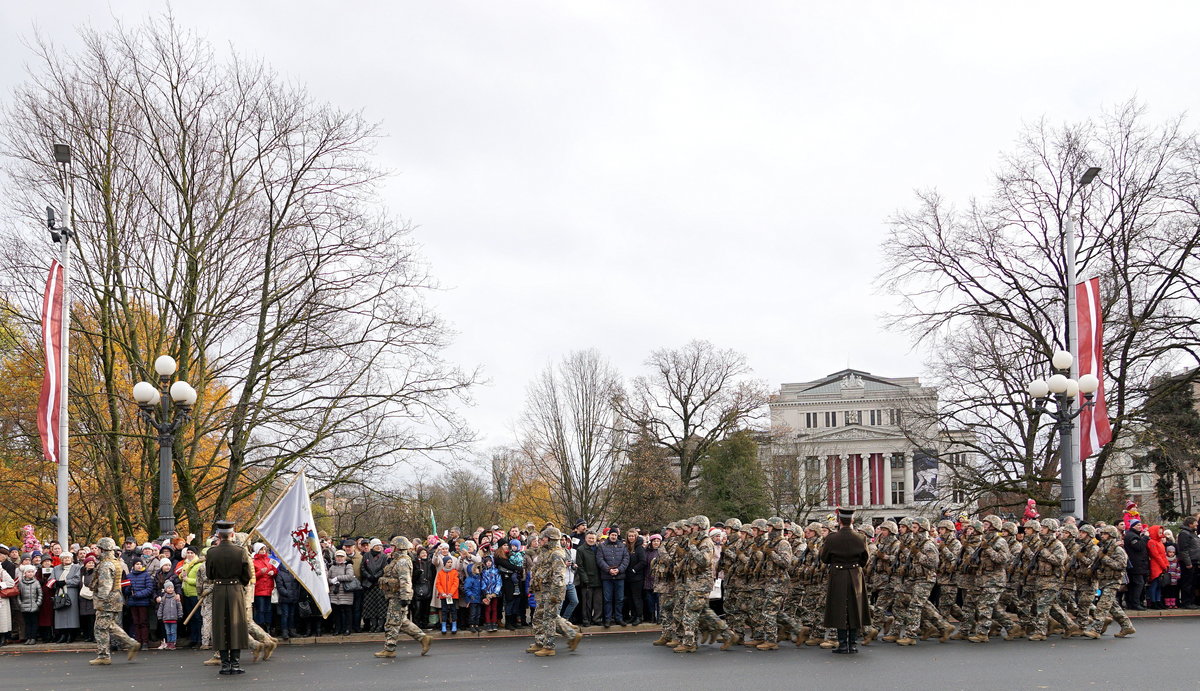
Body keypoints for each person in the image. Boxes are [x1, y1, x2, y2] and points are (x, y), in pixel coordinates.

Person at [819, 507, 869, 654]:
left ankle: (842, 644)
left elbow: (824, 558)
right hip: (855, 574)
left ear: (839, 521)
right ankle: (852, 644)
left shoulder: (831, 538)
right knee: (855, 607)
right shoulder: (861, 537)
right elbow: (865, 559)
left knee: (839, 608)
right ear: (852, 520)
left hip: (838, 574)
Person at [526, 526, 582, 656]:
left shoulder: (556, 554)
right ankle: (540, 642)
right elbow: (539, 569)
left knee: (549, 619)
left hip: (552, 592)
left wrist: (555, 595)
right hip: (543, 590)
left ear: (550, 539)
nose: (541, 540)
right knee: (538, 616)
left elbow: (559, 576)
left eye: (544, 538)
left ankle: (549, 647)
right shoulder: (545, 551)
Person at [373, 536, 433, 658]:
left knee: (392, 623)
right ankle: (424, 638)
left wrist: (405, 597)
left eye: (392, 546)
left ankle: (390, 649)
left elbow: (405, 580)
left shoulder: (402, 561)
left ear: (398, 547)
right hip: (395, 595)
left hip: (398, 596)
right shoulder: (398, 560)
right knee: (402, 622)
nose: (390, 548)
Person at [207, 520, 252, 675]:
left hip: (219, 589)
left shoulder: (212, 552)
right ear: (232, 534)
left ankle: (225, 664)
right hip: (235, 590)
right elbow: (247, 575)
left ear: (218, 535)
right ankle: (235, 663)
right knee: (236, 625)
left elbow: (209, 574)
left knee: (221, 626)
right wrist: (241, 583)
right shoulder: (240, 551)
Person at [89, 537, 140, 665]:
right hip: (115, 599)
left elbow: (105, 586)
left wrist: (101, 602)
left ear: (103, 549)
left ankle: (103, 656)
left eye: (98, 548)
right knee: (109, 625)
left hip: (107, 601)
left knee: (100, 628)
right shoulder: (115, 562)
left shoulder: (106, 564)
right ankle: (131, 643)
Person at [596, 526, 629, 626]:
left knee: (619, 599)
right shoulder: (602, 546)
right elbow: (600, 559)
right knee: (607, 599)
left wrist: (619, 570)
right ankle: (608, 619)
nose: (614, 537)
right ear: (609, 535)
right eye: (612, 535)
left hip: (619, 576)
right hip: (607, 577)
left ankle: (619, 618)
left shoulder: (622, 546)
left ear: (617, 535)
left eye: (615, 535)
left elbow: (626, 559)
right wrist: (608, 569)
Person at [51, 552, 82, 643]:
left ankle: (71, 635)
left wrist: (66, 582)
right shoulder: (56, 568)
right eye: (64, 558)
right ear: (61, 560)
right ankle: (62, 634)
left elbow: (77, 580)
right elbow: (51, 579)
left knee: (72, 614)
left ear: (72, 559)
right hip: (59, 593)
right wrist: (56, 583)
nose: (67, 559)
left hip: (71, 592)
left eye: (68, 558)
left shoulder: (77, 567)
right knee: (60, 613)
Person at [361, 538, 389, 633]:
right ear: (373, 546)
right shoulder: (366, 555)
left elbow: (384, 568)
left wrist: (376, 576)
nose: (379, 547)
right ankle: (373, 625)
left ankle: (380, 625)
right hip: (369, 584)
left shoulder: (384, 557)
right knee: (370, 606)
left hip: (379, 584)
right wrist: (369, 576)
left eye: (380, 546)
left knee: (381, 605)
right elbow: (363, 568)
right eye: (377, 546)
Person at [327, 550, 357, 635]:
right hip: (335, 592)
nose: (339, 558)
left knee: (347, 611)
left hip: (345, 592)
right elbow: (328, 578)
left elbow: (350, 576)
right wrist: (331, 581)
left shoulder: (348, 565)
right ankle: (337, 628)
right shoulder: (332, 566)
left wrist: (337, 578)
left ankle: (348, 629)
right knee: (336, 612)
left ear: (345, 557)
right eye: (338, 556)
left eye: (341, 556)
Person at [1123, 520, 1150, 610]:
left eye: (1140, 525)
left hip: (1139, 564)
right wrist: (1145, 538)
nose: (1140, 526)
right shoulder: (1132, 536)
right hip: (1136, 564)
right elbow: (1139, 547)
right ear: (1133, 526)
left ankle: (1133, 602)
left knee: (1135, 584)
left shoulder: (1135, 535)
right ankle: (1135, 603)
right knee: (1138, 584)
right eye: (1138, 525)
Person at [251, 544, 277, 630]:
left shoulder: (270, 559)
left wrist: (273, 572)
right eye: (261, 549)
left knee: (268, 610)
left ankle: (268, 626)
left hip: (269, 589)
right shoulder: (253, 561)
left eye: (264, 549)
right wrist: (260, 573)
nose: (264, 551)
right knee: (260, 609)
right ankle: (261, 626)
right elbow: (251, 576)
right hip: (259, 590)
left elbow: (276, 568)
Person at [1177, 516, 1200, 608]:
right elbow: (1183, 550)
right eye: (1195, 523)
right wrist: (1188, 562)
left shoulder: (1192, 533)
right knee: (1187, 582)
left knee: (1192, 582)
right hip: (1188, 562)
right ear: (1190, 524)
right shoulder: (1184, 534)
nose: (1197, 524)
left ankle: (1191, 601)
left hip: (1194, 561)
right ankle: (1186, 602)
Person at [434, 556, 459, 634]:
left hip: (452, 595)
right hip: (444, 596)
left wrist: (451, 593)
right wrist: (443, 593)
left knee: (453, 610)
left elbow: (456, 583)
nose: (450, 564)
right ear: (444, 563)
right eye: (448, 562)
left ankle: (454, 625)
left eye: (451, 562)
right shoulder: (440, 573)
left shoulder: (454, 572)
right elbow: (438, 584)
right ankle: (443, 625)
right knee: (444, 610)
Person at [157, 581, 183, 649]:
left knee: (173, 631)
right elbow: (160, 608)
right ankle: (169, 642)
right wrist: (159, 616)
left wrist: (180, 615)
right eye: (168, 588)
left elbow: (179, 607)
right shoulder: (164, 598)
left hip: (174, 618)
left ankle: (173, 643)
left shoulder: (176, 597)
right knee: (168, 632)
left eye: (172, 587)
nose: (170, 589)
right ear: (165, 589)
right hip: (166, 618)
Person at [481, 555, 502, 632]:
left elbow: (499, 582)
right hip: (487, 594)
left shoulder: (496, 571)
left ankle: (494, 622)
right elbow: (483, 583)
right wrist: (486, 593)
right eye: (487, 562)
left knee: (494, 609)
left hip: (494, 594)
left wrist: (495, 592)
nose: (488, 563)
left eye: (490, 561)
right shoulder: (483, 572)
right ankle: (488, 623)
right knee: (487, 609)